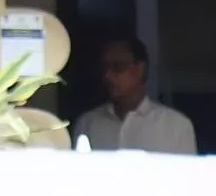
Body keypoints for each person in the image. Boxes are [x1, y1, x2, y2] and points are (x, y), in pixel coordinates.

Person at [68, 34, 198, 156]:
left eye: (117, 67)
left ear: (140, 69)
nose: (108, 76)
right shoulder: (87, 124)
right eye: (104, 68)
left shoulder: (176, 126)